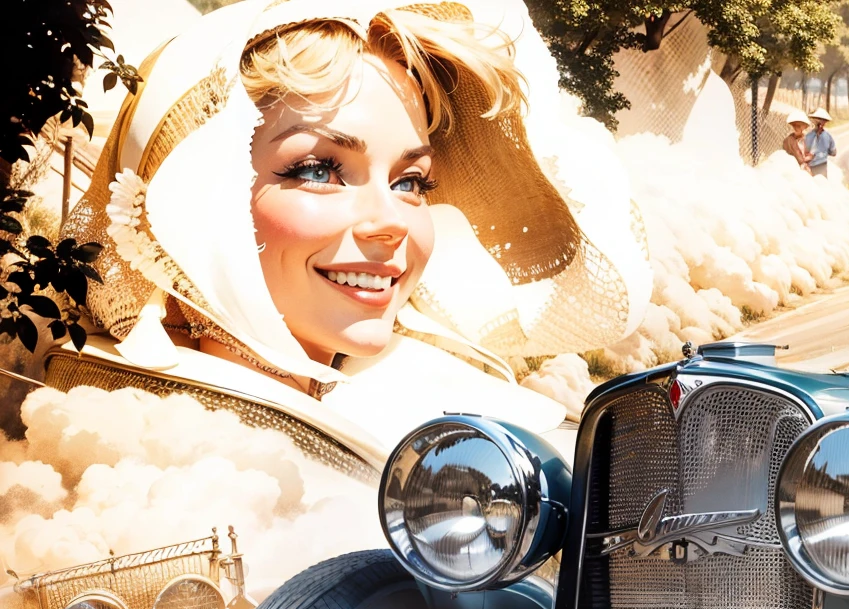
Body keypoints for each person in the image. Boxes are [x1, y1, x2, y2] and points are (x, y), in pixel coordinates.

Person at [52, 0, 649, 458]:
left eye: (412, 181)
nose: (391, 222)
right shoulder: (114, 443)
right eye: (319, 170)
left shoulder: (464, 418)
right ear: (194, 202)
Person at [802, 109, 837, 177]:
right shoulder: (828, 136)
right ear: (825, 122)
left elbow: (805, 152)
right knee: (822, 184)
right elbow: (833, 152)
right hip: (822, 166)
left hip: (810, 167)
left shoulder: (807, 136)